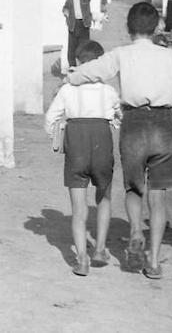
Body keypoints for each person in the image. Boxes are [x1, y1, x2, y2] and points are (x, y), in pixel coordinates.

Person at [67, 2, 172, 279]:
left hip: (134, 123)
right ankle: (154, 261)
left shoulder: (121, 54)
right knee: (158, 195)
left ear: (128, 27)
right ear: (156, 27)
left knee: (134, 188)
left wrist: (71, 76)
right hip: (163, 121)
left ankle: (135, 230)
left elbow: (94, 70)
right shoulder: (170, 56)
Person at [44, 40, 120, 276]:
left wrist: (56, 135)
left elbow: (50, 119)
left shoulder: (67, 90)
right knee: (104, 197)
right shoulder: (108, 91)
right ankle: (100, 249)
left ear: (77, 62)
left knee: (78, 207)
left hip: (76, 142)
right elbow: (119, 117)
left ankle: (82, 260)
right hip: (101, 140)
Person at [62, 0, 97, 70]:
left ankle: (84, 68)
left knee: (84, 46)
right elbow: (65, 7)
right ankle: (72, 68)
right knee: (72, 48)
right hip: (73, 25)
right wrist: (65, 12)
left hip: (84, 24)